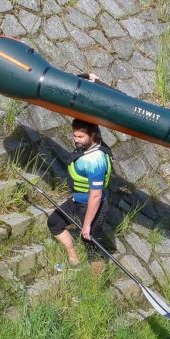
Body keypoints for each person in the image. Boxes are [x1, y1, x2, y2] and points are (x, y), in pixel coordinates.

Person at [46, 112, 113, 272]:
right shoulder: (87, 148)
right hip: (77, 200)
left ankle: (95, 285)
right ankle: (73, 260)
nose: (76, 140)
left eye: (81, 136)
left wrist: (87, 225)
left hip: (92, 205)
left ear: (93, 136)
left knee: (92, 247)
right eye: (74, 135)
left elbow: (96, 196)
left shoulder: (95, 161)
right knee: (54, 223)